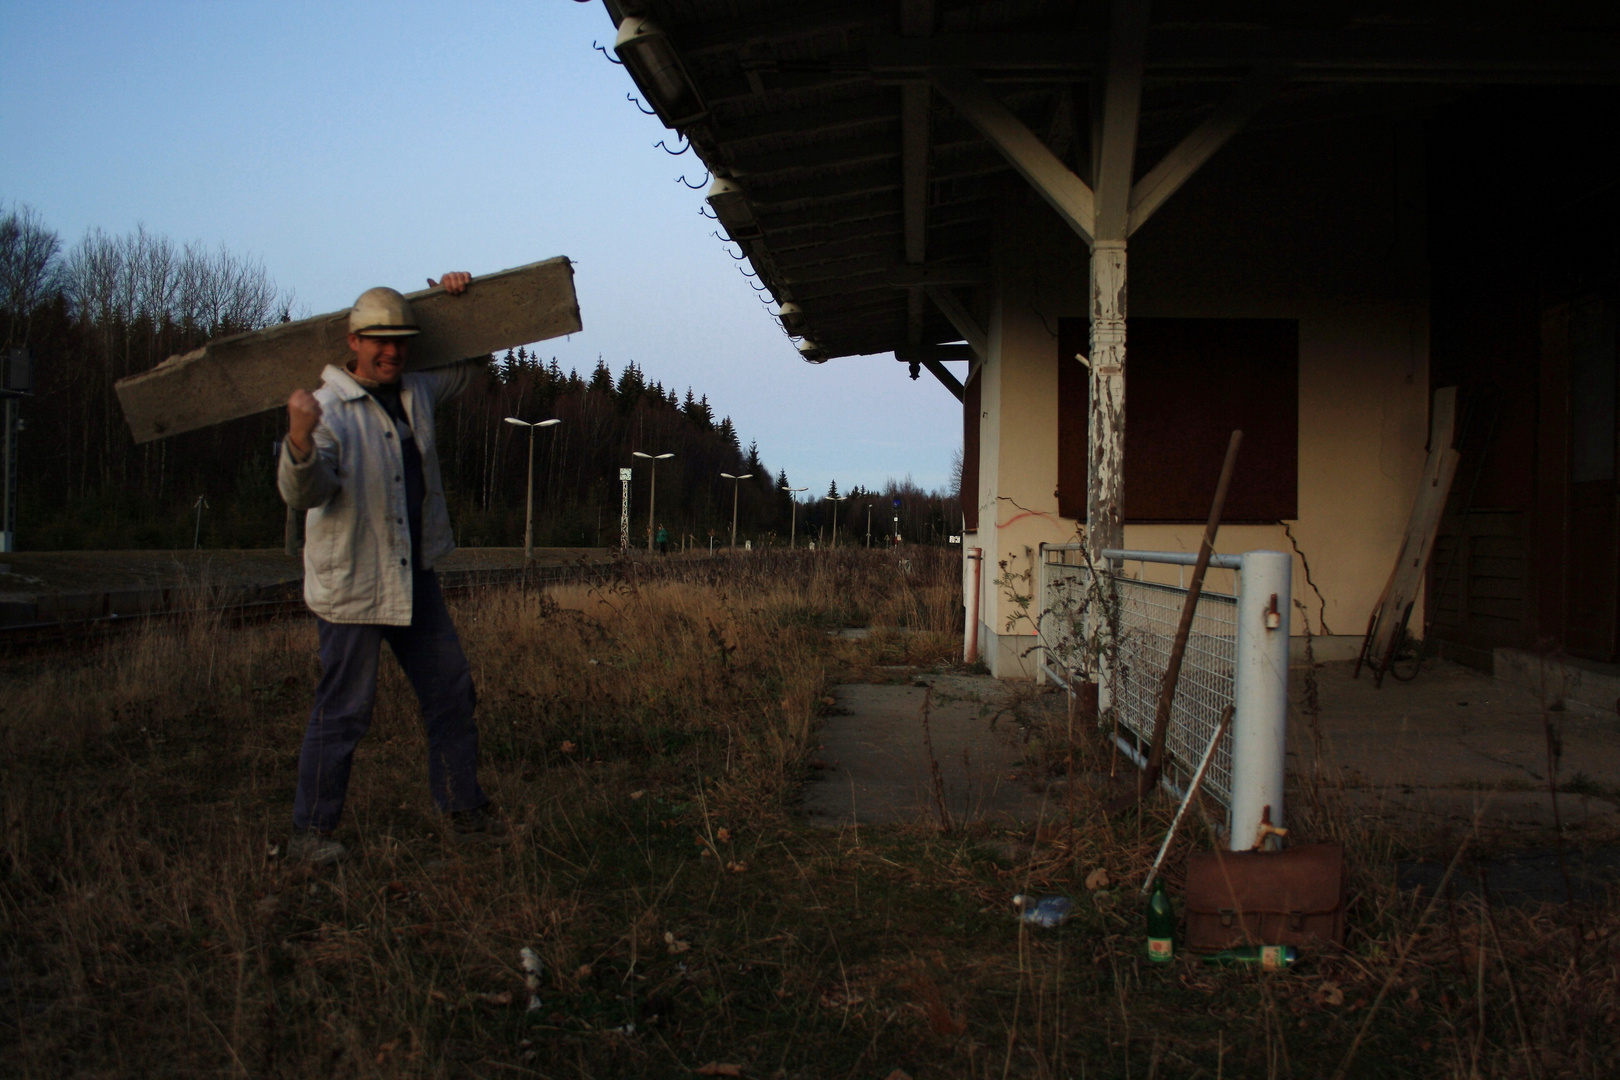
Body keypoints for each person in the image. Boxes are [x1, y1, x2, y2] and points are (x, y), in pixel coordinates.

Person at [278, 272, 499, 864]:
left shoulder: (415, 390)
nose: (390, 350)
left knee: (451, 692)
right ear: (353, 341)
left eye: (400, 340)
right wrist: (299, 444)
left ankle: (463, 808)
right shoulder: (327, 411)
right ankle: (311, 834)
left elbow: (472, 369)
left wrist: (465, 309)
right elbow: (307, 493)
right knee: (344, 710)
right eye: (378, 340)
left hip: (411, 575)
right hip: (352, 583)